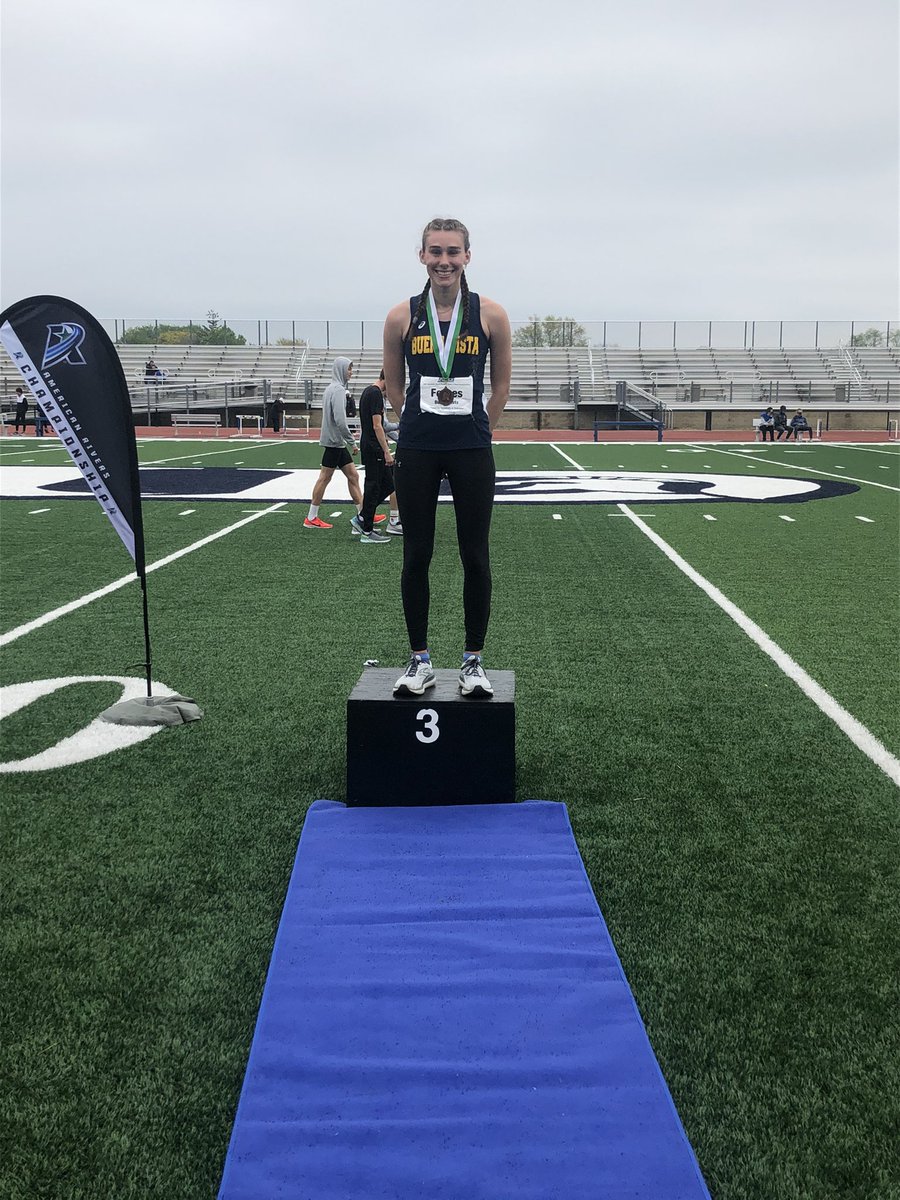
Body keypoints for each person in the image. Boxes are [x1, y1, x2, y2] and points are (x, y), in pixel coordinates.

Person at [384, 216, 512, 698]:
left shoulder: (491, 314)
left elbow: (501, 387)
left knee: (474, 556)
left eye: (452, 251)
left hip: (471, 450)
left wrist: (478, 428)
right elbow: (394, 386)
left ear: (467, 256)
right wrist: (417, 424)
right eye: (435, 251)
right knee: (416, 555)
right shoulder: (400, 316)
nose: (444, 261)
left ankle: (473, 661)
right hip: (417, 449)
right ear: (422, 256)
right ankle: (419, 660)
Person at [304, 357, 375, 530]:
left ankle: (363, 514)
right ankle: (311, 517)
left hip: (336, 441)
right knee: (325, 477)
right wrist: (352, 442)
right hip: (334, 441)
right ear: (340, 370)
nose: (351, 372)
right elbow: (340, 420)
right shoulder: (338, 390)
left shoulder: (331, 388)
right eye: (348, 369)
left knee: (353, 476)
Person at [351, 369, 403, 544]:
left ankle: (362, 517)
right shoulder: (375, 394)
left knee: (389, 484)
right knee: (373, 486)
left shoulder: (369, 391)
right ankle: (366, 529)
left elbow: (380, 425)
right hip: (374, 447)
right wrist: (386, 451)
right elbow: (377, 426)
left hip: (372, 445)